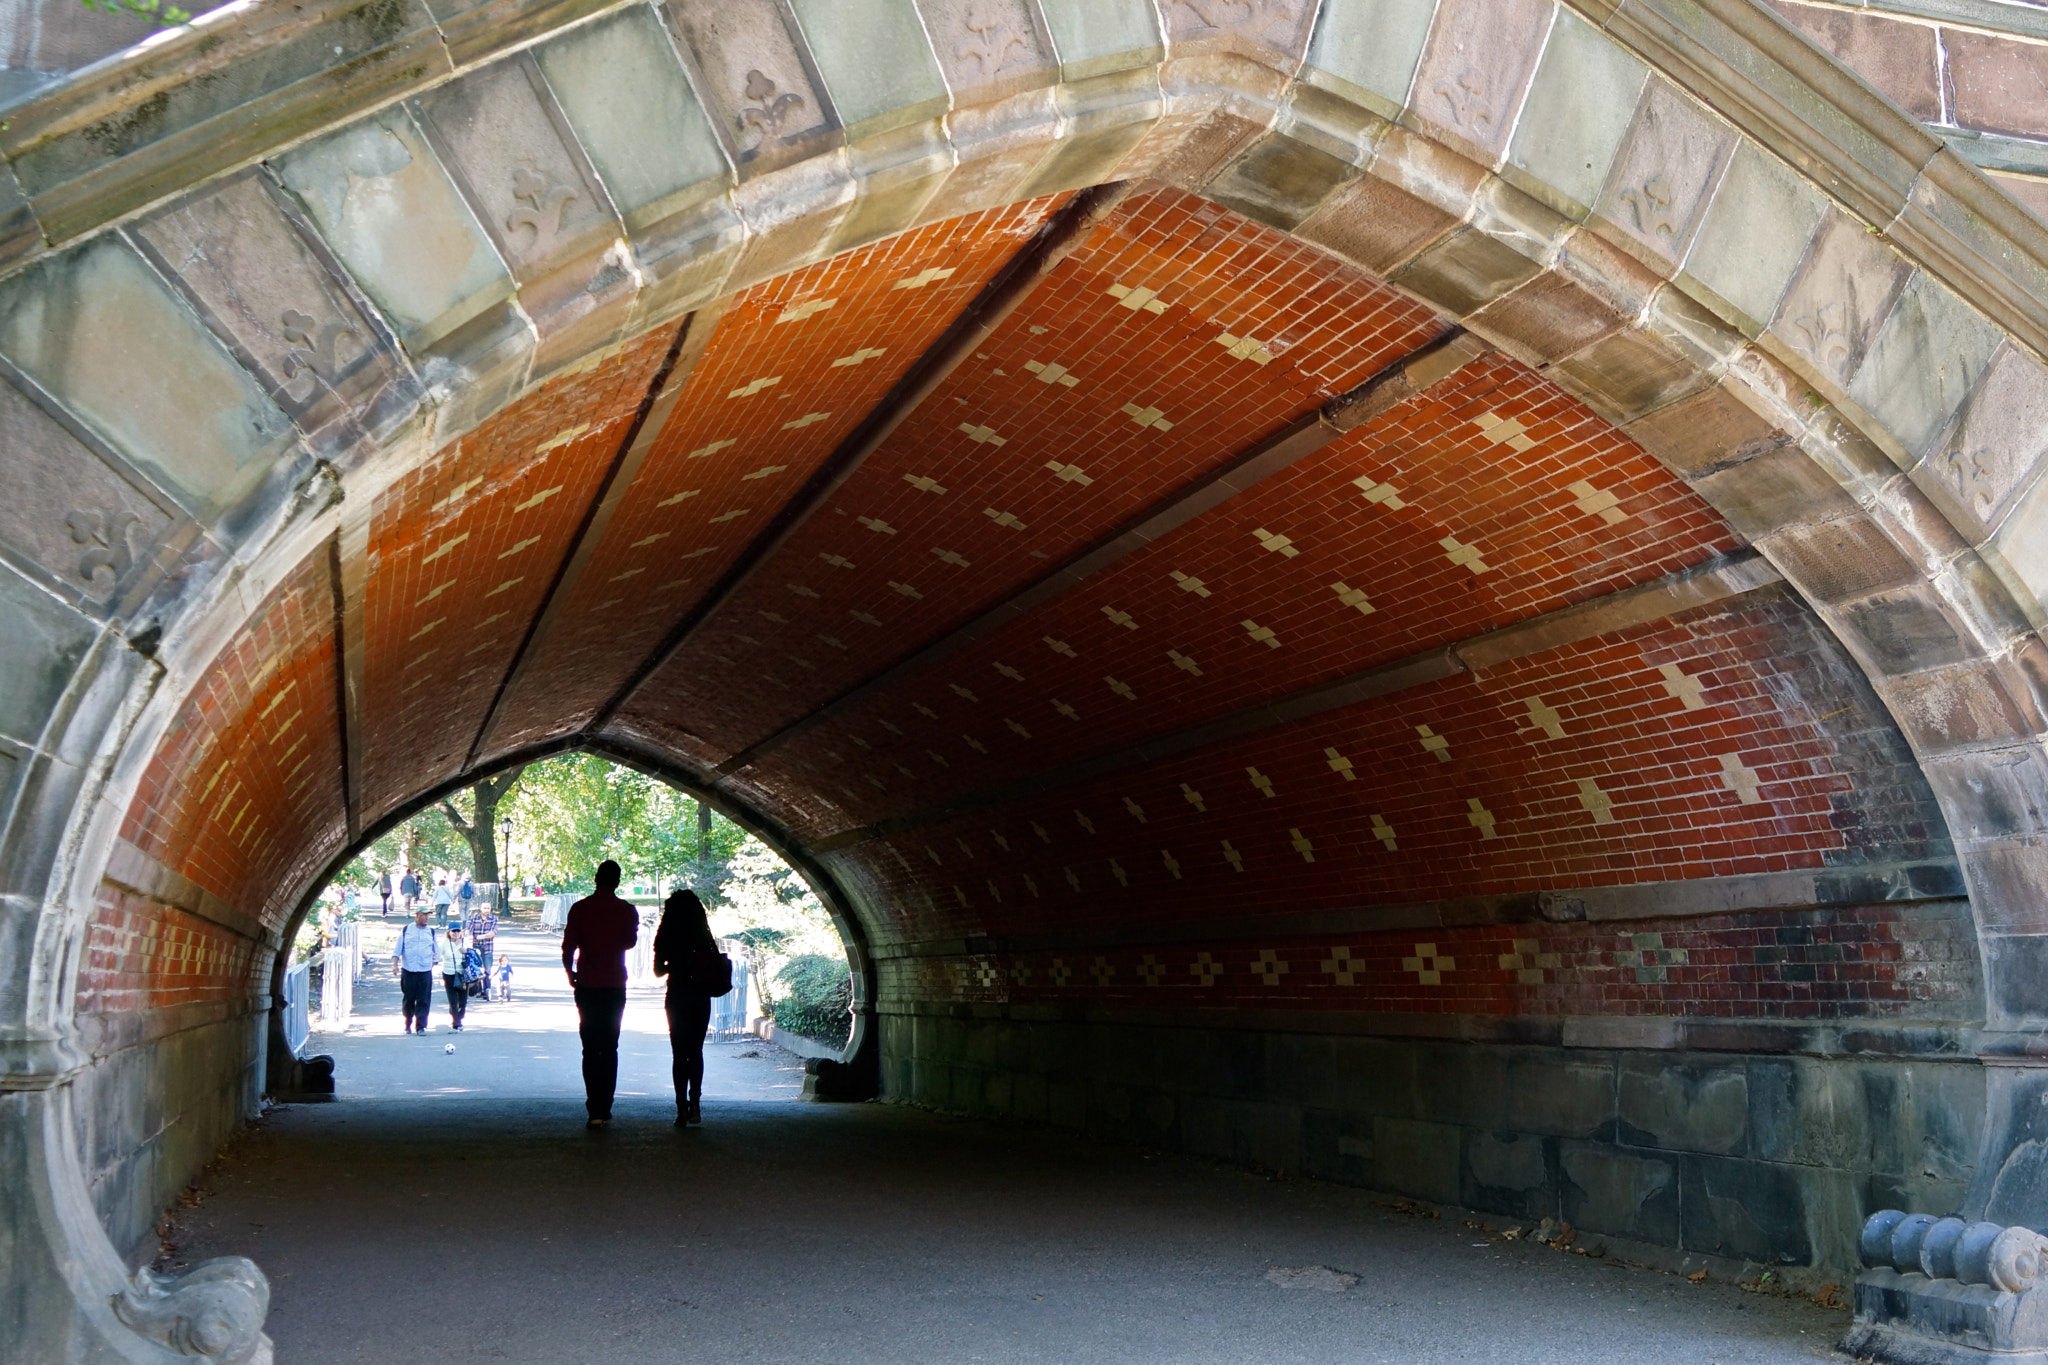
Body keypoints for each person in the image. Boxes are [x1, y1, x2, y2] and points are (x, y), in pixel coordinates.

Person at [561, 860, 638, 1128]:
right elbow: (630, 942)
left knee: (590, 1047)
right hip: (614, 983)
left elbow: (568, 947)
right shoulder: (627, 910)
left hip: (588, 983)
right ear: (617, 882)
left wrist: (571, 973)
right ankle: (606, 1104)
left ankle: (593, 1106)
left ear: (595, 879)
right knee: (610, 1045)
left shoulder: (580, 909)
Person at [652, 888, 718, 1127]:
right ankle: (696, 1105)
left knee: (679, 1053)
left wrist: (675, 966)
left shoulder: (666, 933)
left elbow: (658, 970)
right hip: (700, 996)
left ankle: (681, 1109)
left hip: (677, 995)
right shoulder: (703, 933)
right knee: (696, 1051)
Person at [392, 906, 438, 1034]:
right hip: (409, 970)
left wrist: (433, 963)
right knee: (409, 998)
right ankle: (408, 1022)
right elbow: (397, 950)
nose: (426, 918)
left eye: (428, 915)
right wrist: (395, 965)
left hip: (424, 971)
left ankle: (421, 1026)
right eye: (424, 915)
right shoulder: (407, 930)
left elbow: (436, 953)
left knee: (424, 999)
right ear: (417, 915)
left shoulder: (431, 932)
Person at [440, 925, 473, 1032]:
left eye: (458, 931)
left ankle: (459, 1019)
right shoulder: (445, 943)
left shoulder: (465, 942)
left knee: (463, 1001)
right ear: (449, 932)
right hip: (449, 973)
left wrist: (467, 952)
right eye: (453, 931)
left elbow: (473, 955)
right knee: (452, 1000)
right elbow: (437, 955)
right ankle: (456, 1023)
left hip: (463, 974)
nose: (456, 933)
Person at [466, 900, 498, 986]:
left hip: (488, 948)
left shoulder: (494, 919)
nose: (486, 910)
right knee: (477, 969)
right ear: (480, 908)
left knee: (487, 970)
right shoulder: (474, 918)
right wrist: (468, 935)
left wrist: (483, 936)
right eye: (484, 908)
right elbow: (467, 929)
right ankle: (478, 988)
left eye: (488, 908)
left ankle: (487, 989)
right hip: (476, 947)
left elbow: (493, 932)